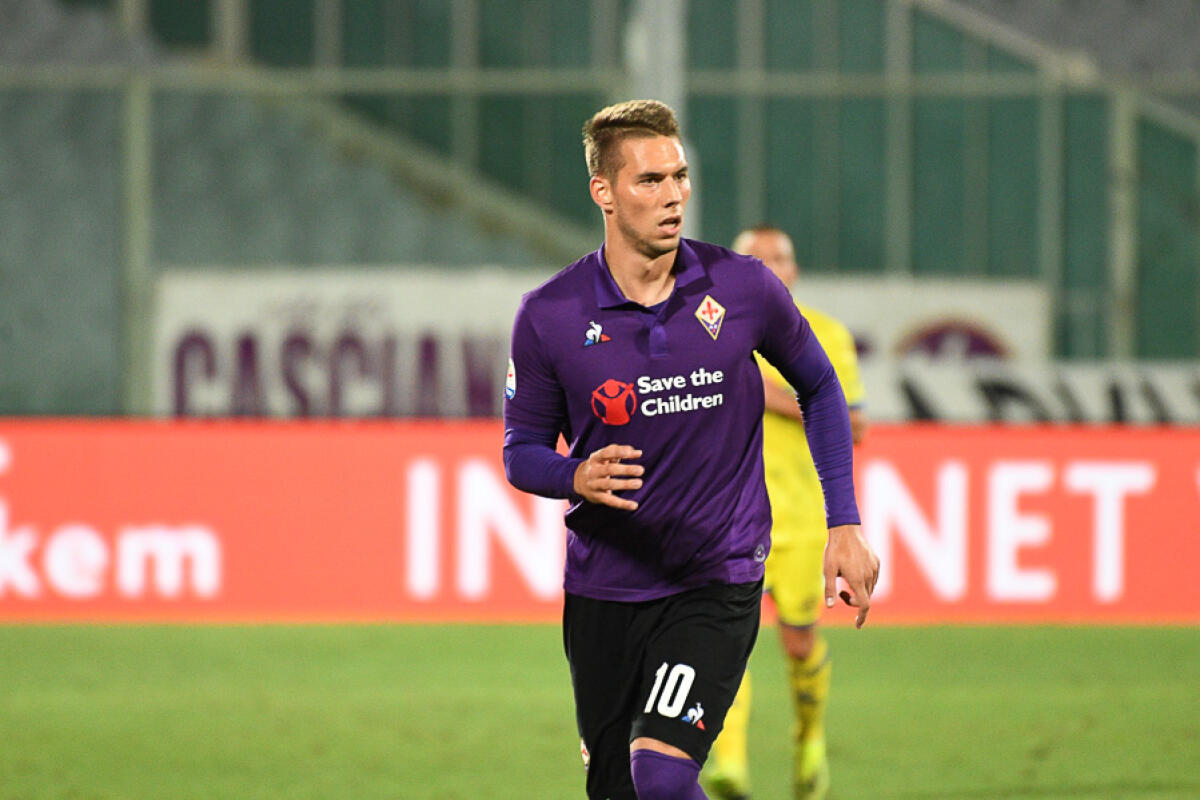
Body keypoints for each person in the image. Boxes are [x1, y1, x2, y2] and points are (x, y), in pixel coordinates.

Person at [502, 99, 879, 800]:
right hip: (604, 587)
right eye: (650, 181)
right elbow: (520, 449)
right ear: (604, 192)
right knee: (620, 789)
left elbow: (822, 389)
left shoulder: (741, 288)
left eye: (680, 177)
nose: (673, 195)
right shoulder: (550, 315)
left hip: (717, 575)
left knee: (664, 771)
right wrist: (573, 474)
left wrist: (845, 523)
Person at [703, 227, 868, 800]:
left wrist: (767, 388)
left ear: (795, 271)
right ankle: (730, 766)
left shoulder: (825, 335)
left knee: (797, 642)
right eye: (755, 258)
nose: (770, 266)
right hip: (724, 519)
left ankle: (811, 742)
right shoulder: (710, 329)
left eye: (780, 258)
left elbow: (856, 423)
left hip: (798, 523)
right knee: (726, 641)